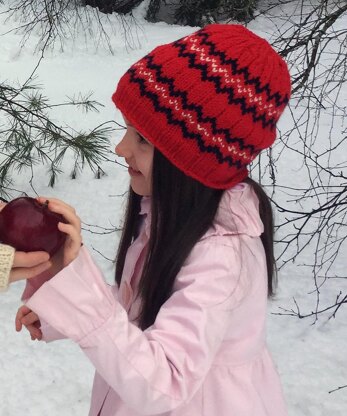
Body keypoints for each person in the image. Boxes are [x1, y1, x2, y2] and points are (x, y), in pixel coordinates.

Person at [15, 24, 291, 416]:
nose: (121, 147)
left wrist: (79, 292)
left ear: (195, 159)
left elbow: (166, 381)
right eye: (128, 128)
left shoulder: (221, 256)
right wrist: (62, 304)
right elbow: (144, 312)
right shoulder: (169, 216)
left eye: (142, 139)